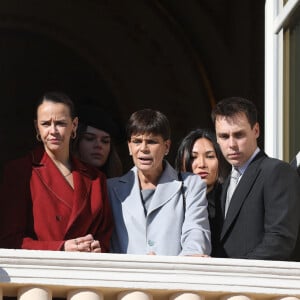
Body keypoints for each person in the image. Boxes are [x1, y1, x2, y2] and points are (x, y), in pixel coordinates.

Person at [0, 91, 113, 252]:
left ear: (74, 125)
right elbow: (9, 241)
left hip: (85, 272)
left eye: (60, 123)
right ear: (36, 127)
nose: (53, 130)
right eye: (46, 124)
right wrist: (61, 248)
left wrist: (97, 247)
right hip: (38, 273)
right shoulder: (20, 171)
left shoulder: (96, 178)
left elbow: (105, 238)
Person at [107, 108, 211, 256]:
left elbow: (196, 230)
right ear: (129, 147)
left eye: (151, 142)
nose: (143, 149)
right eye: (137, 141)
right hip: (126, 277)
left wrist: (188, 259)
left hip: (173, 276)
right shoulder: (110, 188)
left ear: (166, 146)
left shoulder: (191, 185)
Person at [211, 96, 300, 260]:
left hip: (256, 282)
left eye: (239, 135)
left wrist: (236, 272)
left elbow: (280, 241)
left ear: (256, 131)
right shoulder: (222, 187)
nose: (231, 144)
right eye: (224, 136)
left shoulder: (277, 172)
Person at [175, 128, 230, 256]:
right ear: (181, 162)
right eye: (193, 157)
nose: (202, 164)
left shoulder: (229, 201)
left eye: (210, 156)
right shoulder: (172, 200)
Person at [72, 105, 123, 178]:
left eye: (105, 141)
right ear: (76, 142)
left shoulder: (119, 186)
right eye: (89, 138)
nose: (98, 145)